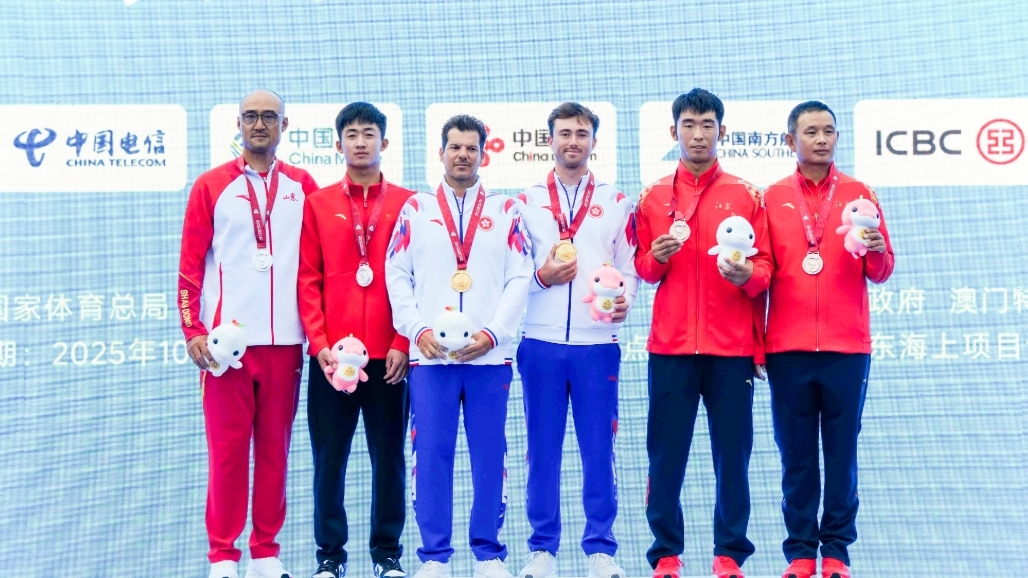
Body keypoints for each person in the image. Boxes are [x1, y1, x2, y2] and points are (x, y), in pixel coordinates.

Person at [178, 89, 319, 578]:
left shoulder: (304, 186)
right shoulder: (210, 185)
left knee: (275, 452)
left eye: (269, 117)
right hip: (226, 347)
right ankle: (222, 555)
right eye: (251, 117)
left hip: (285, 344)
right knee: (228, 454)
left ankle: (265, 552)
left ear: (285, 124)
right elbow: (189, 267)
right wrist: (193, 329)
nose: (260, 125)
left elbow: (318, 265)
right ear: (238, 124)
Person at [385, 114, 532, 578]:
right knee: (431, 456)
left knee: (490, 455)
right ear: (441, 152)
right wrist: (417, 331)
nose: (463, 155)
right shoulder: (416, 209)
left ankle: (489, 555)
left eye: (471, 148)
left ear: (484, 154)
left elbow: (520, 277)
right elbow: (396, 274)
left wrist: (495, 333)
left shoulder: (507, 211)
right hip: (430, 360)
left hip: (489, 358)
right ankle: (434, 557)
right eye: (455, 147)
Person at [633, 88, 772, 578]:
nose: (698, 134)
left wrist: (747, 276)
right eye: (688, 125)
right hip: (670, 347)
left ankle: (729, 554)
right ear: (673, 131)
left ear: (722, 131)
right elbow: (642, 268)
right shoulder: (652, 196)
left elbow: (766, 268)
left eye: (707, 124)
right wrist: (657, 259)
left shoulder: (748, 195)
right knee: (665, 456)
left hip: (731, 349)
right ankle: (666, 554)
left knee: (732, 457)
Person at [761, 101, 894, 578]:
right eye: (811, 131)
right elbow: (761, 273)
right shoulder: (771, 197)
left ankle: (836, 552)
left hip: (847, 349)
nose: (822, 139)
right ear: (789, 140)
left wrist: (877, 251)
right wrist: (757, 345)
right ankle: (800, 553)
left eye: (829, 131)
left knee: (841, 456)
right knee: (796, 458)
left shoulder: (860, 193)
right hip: (787, 350)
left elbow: (881, 270)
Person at [514, 102, 638, 578]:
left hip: (597, 346)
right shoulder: (524, 202)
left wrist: (624, 301)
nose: (573, 141)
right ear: (550, 140)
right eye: (564, 133)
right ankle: (542, 549)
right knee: (541, 450)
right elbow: (511, 274)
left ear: (593, 142)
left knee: (598, 450)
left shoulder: (616, 201)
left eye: (581, 134)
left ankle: (600, 549)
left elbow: (629, 268)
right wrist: (541, 278)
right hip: (540, 343)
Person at [298, 102, 415, 578]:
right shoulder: (318, 203)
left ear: (384, 142)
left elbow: (417, 280)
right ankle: (330, 557)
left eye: (369, 133)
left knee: (389, 460)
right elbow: (307, 279)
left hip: (389, 358)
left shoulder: (409, 203)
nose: (361, 141)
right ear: (338, 143)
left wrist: (403, 342)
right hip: (332, 360)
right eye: (352, 134)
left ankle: (387, 555)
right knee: (329, 460)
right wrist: (319, 344)